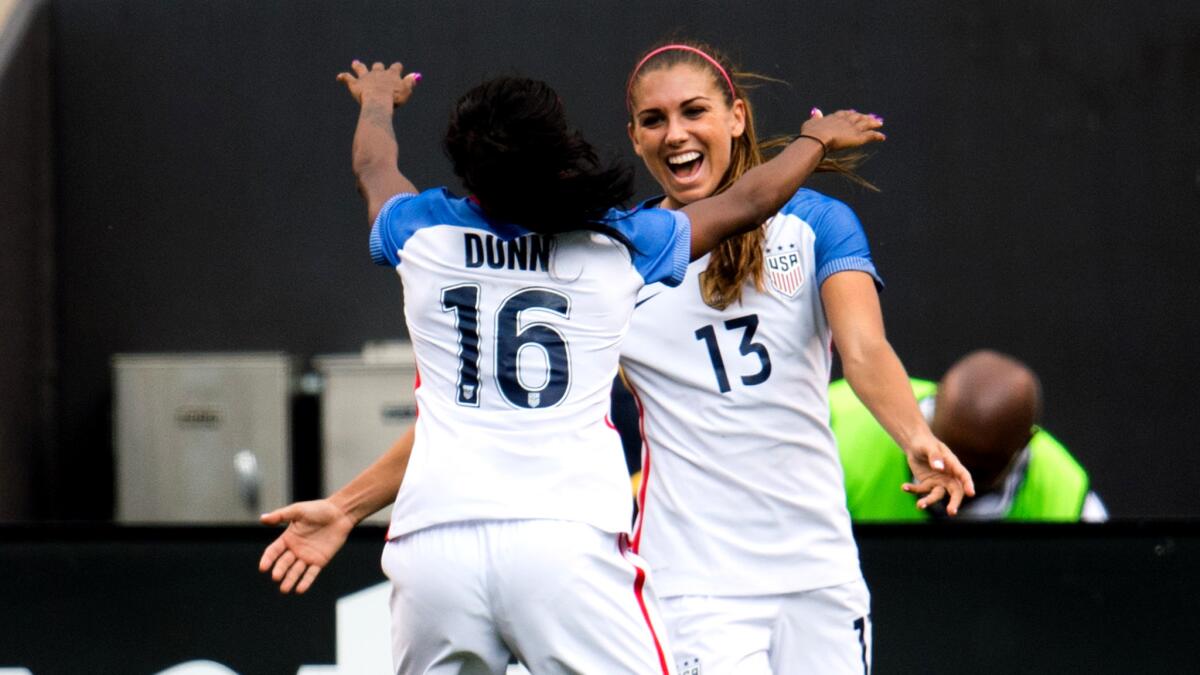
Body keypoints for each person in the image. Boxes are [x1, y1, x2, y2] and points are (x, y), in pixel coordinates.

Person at [259, 57, 887, 674]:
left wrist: (375, 102)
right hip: (566, 543)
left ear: (465, 161)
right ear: (559, 156)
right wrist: (814, 140)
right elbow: (751, 199)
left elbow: (375, 166)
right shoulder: (614, 248)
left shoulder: (419, 231)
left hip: (433, 541)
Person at [616, 41, 975, 675]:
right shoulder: (617, 254)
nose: (675, 134)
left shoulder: (816, 223)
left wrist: (914, 436)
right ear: (635, 138)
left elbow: (865, 350)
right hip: (694, 580)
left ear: (736, 116)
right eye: (654, 120)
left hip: (817, 570)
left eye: (694, 111)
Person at [832, 349, 1107, 522]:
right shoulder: (834, 426)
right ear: (933, 408)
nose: (954, 480)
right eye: (943, 456)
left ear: (1024, 446)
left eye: (976, 473)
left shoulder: (1068, 501)